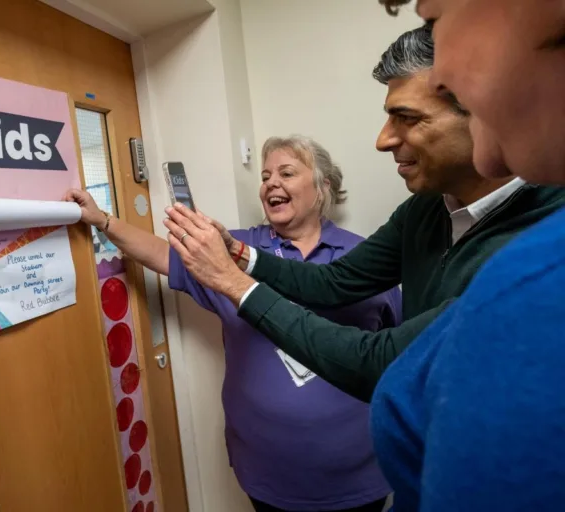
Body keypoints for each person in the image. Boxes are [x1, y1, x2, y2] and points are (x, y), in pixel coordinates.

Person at [162, 25, 565, 402]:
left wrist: (233, 284)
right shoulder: (426, 208)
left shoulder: (544, 245)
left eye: (406, 117)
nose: (383, 139)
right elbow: (335, 282)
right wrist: (239, 254)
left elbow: (381, 363)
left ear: (491, 115)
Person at [66, 136, 398, 512]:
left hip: (358, 470)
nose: (271, 183)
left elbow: (399, 354)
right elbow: (162, 254)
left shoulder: (365, 258)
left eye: (286, 172)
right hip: (267, 470)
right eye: (265, 175)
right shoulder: (234, 251)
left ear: (323, 187)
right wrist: (103, 220)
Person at [362, 0, 565, 510]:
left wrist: (235, 285)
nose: (443, 69)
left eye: (436, 20)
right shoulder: (431, 216)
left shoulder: (528, 281)